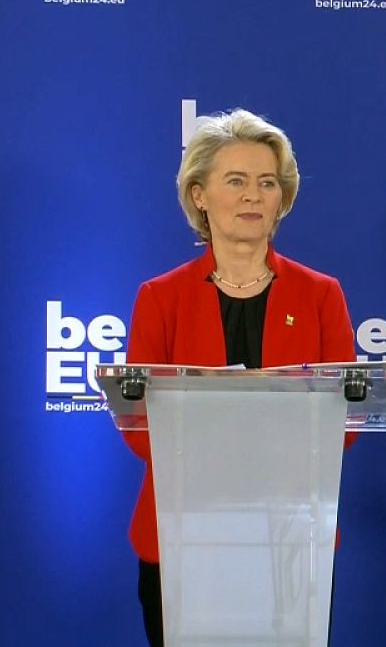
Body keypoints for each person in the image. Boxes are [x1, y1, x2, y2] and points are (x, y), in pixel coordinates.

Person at [120, 109, 357, 646]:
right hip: (182, 533)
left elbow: (346, 419)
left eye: (267, 183)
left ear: (281, 199)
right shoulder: (160, 298)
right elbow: (138, 427)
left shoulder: (321, 295)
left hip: (290, 539)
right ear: (200, 195)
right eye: (237, 181)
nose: (253, 195)